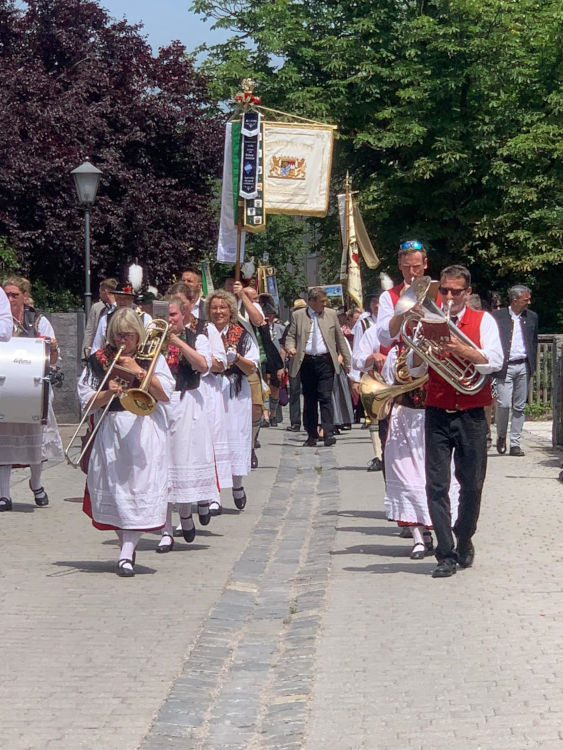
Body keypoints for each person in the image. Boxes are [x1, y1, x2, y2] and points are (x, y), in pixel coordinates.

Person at [407, 264, 503, 577]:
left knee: (472, 483)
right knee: (436, 485)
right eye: (444, 290)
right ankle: (445, 554)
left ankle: (464, 536)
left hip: (472, 414)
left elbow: (495, 361)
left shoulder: (483, 321)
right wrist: (420, 352)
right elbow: (417, 370)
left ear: (467, 293)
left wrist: (463, 349)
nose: (448, 296)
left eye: (455, 291)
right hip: (437, 411)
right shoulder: (430, 321)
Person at [78, 308, 174, 576]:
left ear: (138, 335)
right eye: (118, 335)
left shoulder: (152, 357)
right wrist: (106, 393)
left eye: (129, 335)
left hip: (144, 429)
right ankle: (126, 550)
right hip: (112, 430)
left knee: (138, 488)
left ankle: (125, 553)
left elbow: (166, 394)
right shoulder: (98, 360)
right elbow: (85, 400)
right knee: (118, 492)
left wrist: (140, 372)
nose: (123, 341)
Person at [158, 297, 218, 551]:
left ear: (183, 315)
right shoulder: (152, 339)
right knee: (160, 465)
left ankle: (185, 513)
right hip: (159, 404)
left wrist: (177, 342)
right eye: (166, 315)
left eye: (173, 315)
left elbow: (203, 365)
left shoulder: (197, 337)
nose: (169, 320)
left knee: (181, 461)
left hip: (186, 402)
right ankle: (165, 529)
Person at [0, 277, 63, 511]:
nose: (10, 299)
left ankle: (36, 483)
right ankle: (4, 494)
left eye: (15, 294)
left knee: (37, 442)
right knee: (2, 441)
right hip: (6, 391)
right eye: (6, 294)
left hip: (34, 391)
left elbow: (53, 359)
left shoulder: (38, 321)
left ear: (25, 296)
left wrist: (53, 347)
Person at [207, 290, 259, 510]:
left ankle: (237, 484)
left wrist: (236, 358)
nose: (218, 311)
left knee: (235, 434)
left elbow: (252, 367)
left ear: (230, 310)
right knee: (211, 438)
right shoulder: (202, 333)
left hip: (235, 391)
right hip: (210, 389)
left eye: (223, 307)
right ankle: (213, 496)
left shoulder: (241, 334)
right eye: (214, 307)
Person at [285, 286, 351, 447]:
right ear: (311, 302)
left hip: (326, 361)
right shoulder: (298, 315)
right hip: (306, 361)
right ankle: (312, 434)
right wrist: (290, 348)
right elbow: (291, 336)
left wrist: (348, 362)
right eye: (321, 301)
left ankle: (328, 432)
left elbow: (339, 338)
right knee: (310, 399)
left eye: (325, 301)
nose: (324, 304)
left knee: (325, 396)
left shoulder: (331, 314)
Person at [492, 284, 538, 457]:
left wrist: (532, 364)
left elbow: (534, 342)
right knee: (504, 404)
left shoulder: (532, 317)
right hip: (505, 366)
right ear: (515, 299)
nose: (529, 302)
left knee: (519, 406)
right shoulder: (497, 317)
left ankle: (515, 443)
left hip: (523, 364)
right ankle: (502, 435)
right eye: (525, 299)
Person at [281, 299, 306, 432]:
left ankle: (310, 421)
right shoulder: (290, 326)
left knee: (309, 393)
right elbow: (284, 346)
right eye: (297, 309)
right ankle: (295, 422)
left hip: (308, 361)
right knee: (295, 393)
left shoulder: (310, 323)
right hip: (294, 362)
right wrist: (282, 365)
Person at [82, 278, 118, 357]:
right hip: (101, 354)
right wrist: (85, 356)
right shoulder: (100, 309)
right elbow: (90, 332)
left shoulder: (121, 308)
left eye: (100, 293)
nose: (99, 296)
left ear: (105, 292)